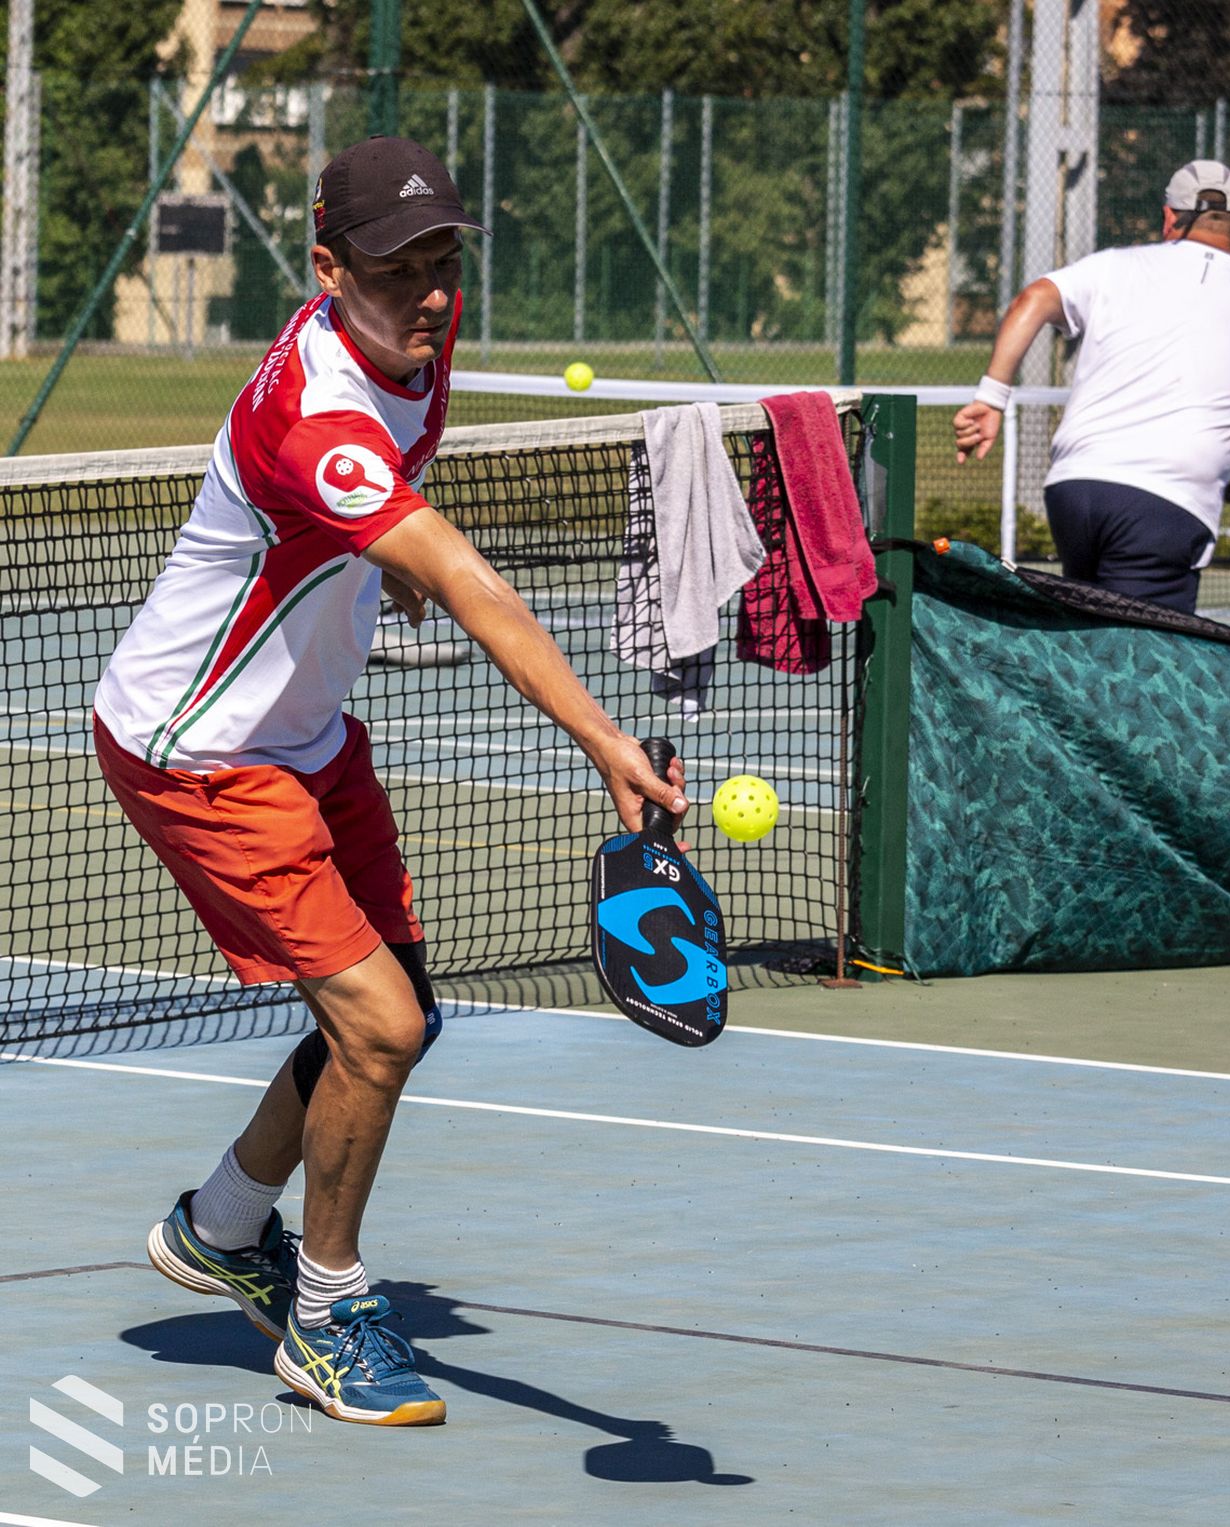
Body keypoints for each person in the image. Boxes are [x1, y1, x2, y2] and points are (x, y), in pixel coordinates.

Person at [97, 136, 685, 1428]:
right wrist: (602, 737)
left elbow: (408, 495)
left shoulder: (425, 334)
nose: (428, 292)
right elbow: (471, 575)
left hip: (302, 736)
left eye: (441, 260)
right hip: (198, 749)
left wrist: (389, 557)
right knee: (379, 1024)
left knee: (398, 1000)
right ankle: (325, 1311)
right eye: (395, 269)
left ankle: (220, 1225)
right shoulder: (310, 410)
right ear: (325, 268)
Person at [954, 160, 1230, 615]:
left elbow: (1031, 300)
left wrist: (991, 398)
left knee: (1092, 643)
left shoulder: (1113, 266)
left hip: (1073, 492)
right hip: (1166, 508)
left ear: (1168, 219)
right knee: (1144, 665)